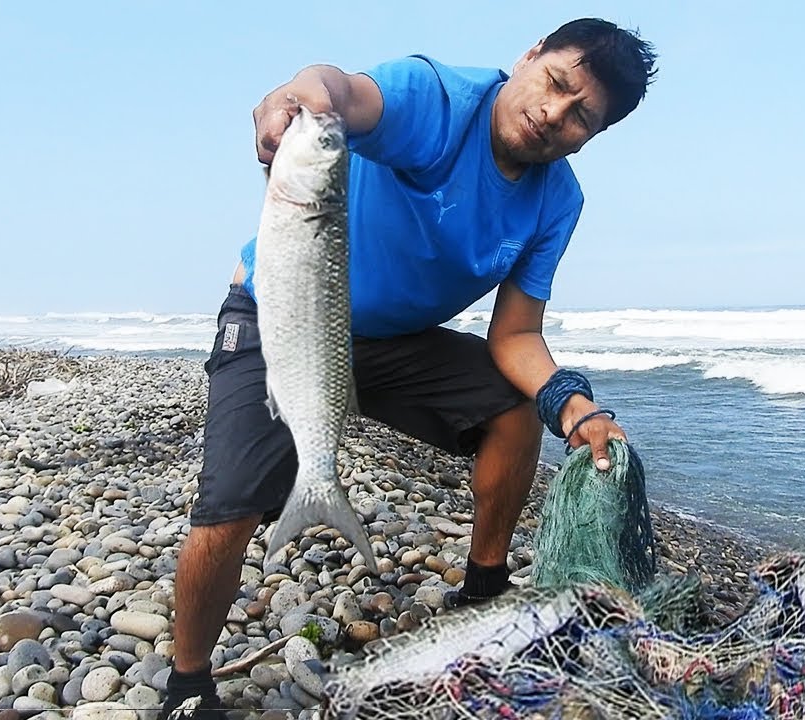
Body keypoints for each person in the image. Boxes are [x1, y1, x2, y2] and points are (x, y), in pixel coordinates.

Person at [162, 18, 657, 717]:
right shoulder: (434, 99)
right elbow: (339, 92)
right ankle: (187, 683)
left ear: (594, 137)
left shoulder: (557, 201)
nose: (554, 114)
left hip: (397, 341)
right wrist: (295, 95)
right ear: (531, 56)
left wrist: (574, 405)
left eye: (582, 118)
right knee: (229, 506)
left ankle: (483, 588)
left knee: (515, 408)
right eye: (556, 84)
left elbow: (515, 338)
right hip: (283, 319)